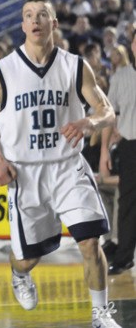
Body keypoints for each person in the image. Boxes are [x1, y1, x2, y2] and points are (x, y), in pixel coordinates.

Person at [0, 0, 121, 328]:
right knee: (29, 258)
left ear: (53, 23)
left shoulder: (75, 65)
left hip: (67, 167)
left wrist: (90, 122)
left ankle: (100, 314)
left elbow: (106, 110)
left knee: (90, 242)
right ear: (22, 25)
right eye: (28, 15)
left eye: (42, 15)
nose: (35, 20)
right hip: (25, 174)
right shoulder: (3, 71)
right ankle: (18, 274)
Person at [100, 28, 136, 276]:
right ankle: (124, 257)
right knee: (127, 203)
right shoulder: (121, 76)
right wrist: (104, 150)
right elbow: (110, 115)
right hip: (130, 144)